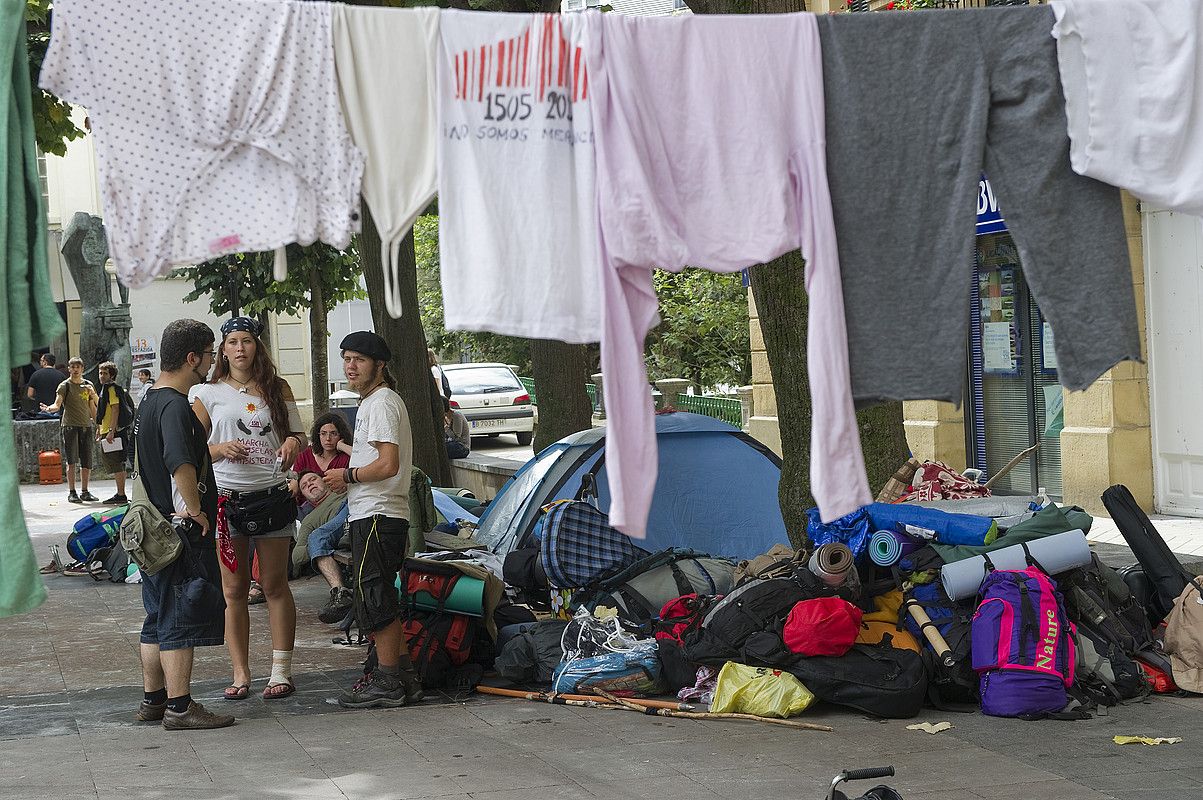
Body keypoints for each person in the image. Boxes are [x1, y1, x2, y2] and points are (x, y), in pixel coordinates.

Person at [190, 317, 306, 702]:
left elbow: (299, 436)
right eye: (233, 342)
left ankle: (281, 670)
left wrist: (292, 443)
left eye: (248, 341)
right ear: (223, 350)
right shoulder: (206, 393)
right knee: (234, 590)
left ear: (258, 346)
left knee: (274, 585)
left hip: (272, 494)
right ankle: (240, 673)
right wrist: (219, 449)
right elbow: (190, 449)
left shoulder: (278, 387)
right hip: (227, 501)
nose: (240, 349)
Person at [133, 318, 233, 730]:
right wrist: (196, 511)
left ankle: (153, 701)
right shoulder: (175, 405)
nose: (212, 362)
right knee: (177, 618)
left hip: (151, 527)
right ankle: (180, 707)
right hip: (177, 530)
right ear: (192, 357)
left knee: (156, 616)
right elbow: (181, 463)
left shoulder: (148, 399)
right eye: (210, 355)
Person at [323, 331, 421, 708]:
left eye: (359, 360)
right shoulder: (375, 402)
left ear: (379, 366)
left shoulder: (379, 403)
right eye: (347, 358)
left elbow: (387, 464)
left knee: (375, 598)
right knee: (376, 597)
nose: (350, 366)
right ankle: (405, 677)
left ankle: (388, 681)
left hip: (379, 515)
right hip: (375, 513)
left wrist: (346, 476)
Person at [294, 470, 352, 621]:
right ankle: (340, 593)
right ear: (304, 496)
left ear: (325, 481)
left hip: (352, 504)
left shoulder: (343, 491)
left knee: (318, 536)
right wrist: (316, 545)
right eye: (304, 486)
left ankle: (348, 530)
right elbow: (296, 557)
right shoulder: (309, 520)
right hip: (337, 532)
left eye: (313, 479)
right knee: (316, 537)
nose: (310, 484)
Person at [41, 356, 99, 503]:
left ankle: (85, 491)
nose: (75, 370)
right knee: (71, 460)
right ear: (69, 369)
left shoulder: (88, 385)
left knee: (87, 461)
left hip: (86, 426)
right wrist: (49, 409)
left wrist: (98, 425)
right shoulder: (64, 386)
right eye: (72, 367)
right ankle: (72, 492)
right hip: (70, 426)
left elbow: (93, 407)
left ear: (82, 369)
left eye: (78, 367)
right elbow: (57, 404)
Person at [95, 361, 134, 504]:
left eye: (105, 373)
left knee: (117, 462)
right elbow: (105, 412)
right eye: (100, 373)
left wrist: (111, 431)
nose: (102, 376)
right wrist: (100, 429)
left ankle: (121, 494)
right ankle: (120, 493)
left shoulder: (111, 389)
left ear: (112, 375)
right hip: (108, 430)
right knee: (117, 462)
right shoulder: (105, 389)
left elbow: (115, 409)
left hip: (114, 431)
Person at [290, 411, 352, 494]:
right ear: (318, 435)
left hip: (336, 503)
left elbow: (361, 458)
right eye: (323, 434)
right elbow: (295, 482)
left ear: (341, 435)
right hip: (307, 503)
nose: (328, 439)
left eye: (333, 433)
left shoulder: (346, 458)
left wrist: (342, 446)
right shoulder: (305, 454)